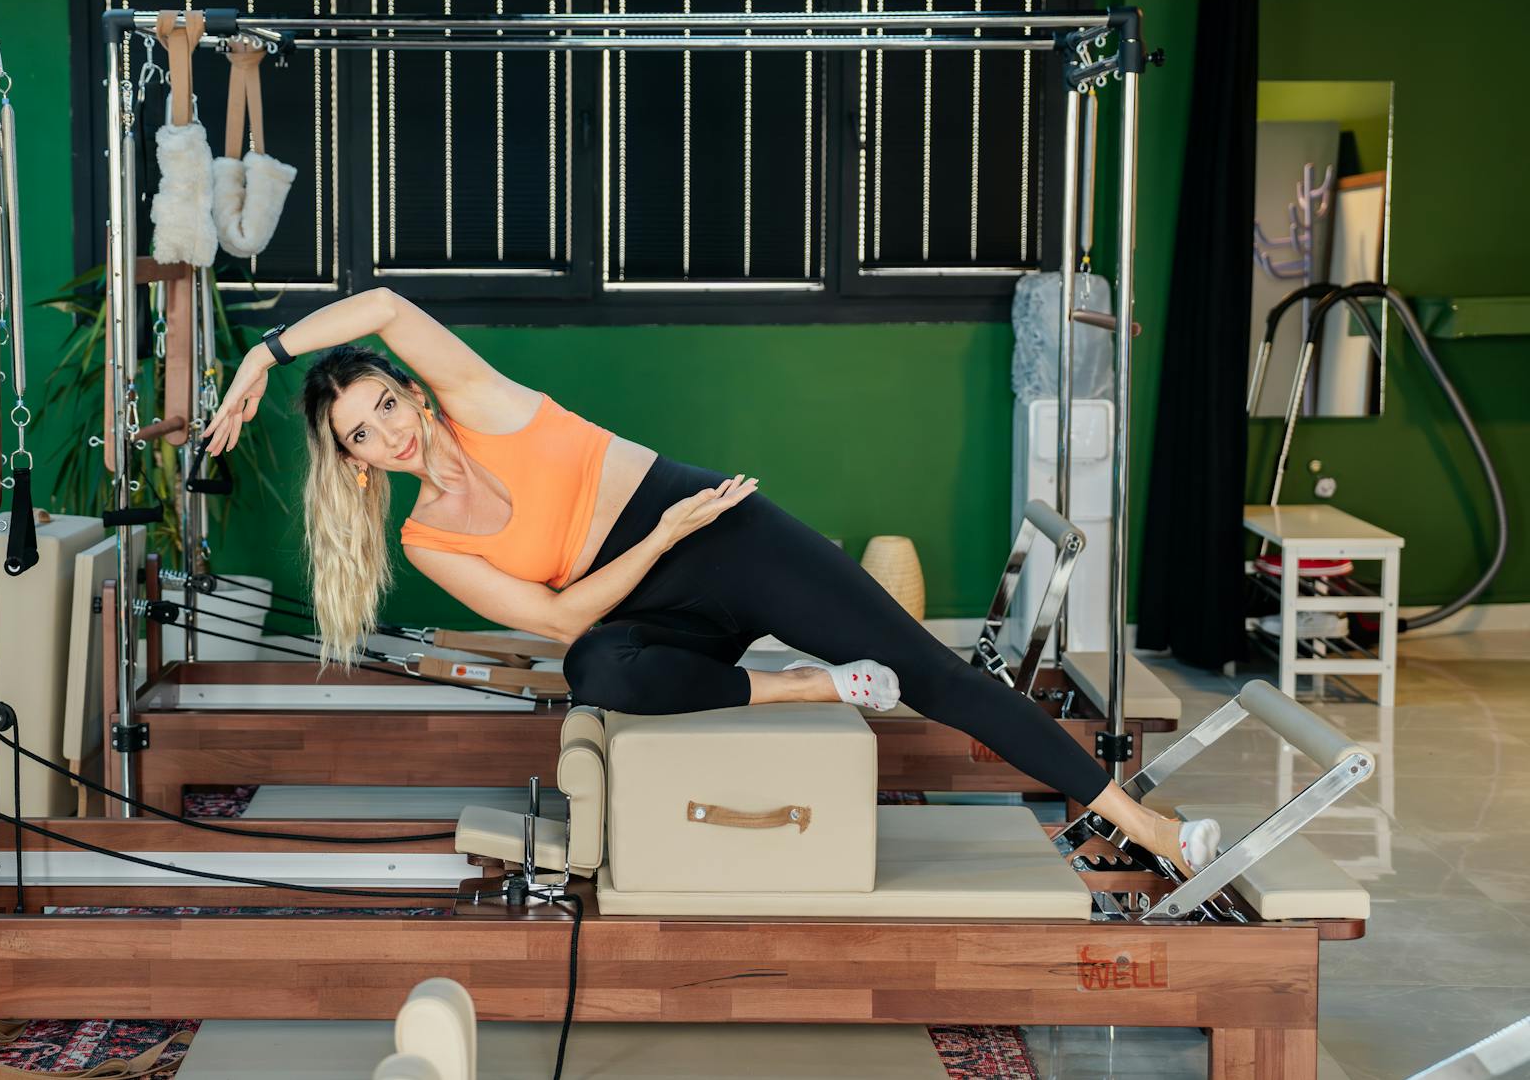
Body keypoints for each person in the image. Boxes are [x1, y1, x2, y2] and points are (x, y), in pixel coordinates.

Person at [201, 287, 1218, 875]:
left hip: (725, 534)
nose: (385, 430)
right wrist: (657, 538)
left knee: (932, 675)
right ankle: (812, 684)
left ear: (410, 390)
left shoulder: (481, 398)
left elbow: (383, 304)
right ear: (355, 464)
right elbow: (559, 616)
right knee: (596, 669)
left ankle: (1151, 827)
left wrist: (264, 353)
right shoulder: (428, 538)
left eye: (383, 403)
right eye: (359, 434)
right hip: (652, 576)